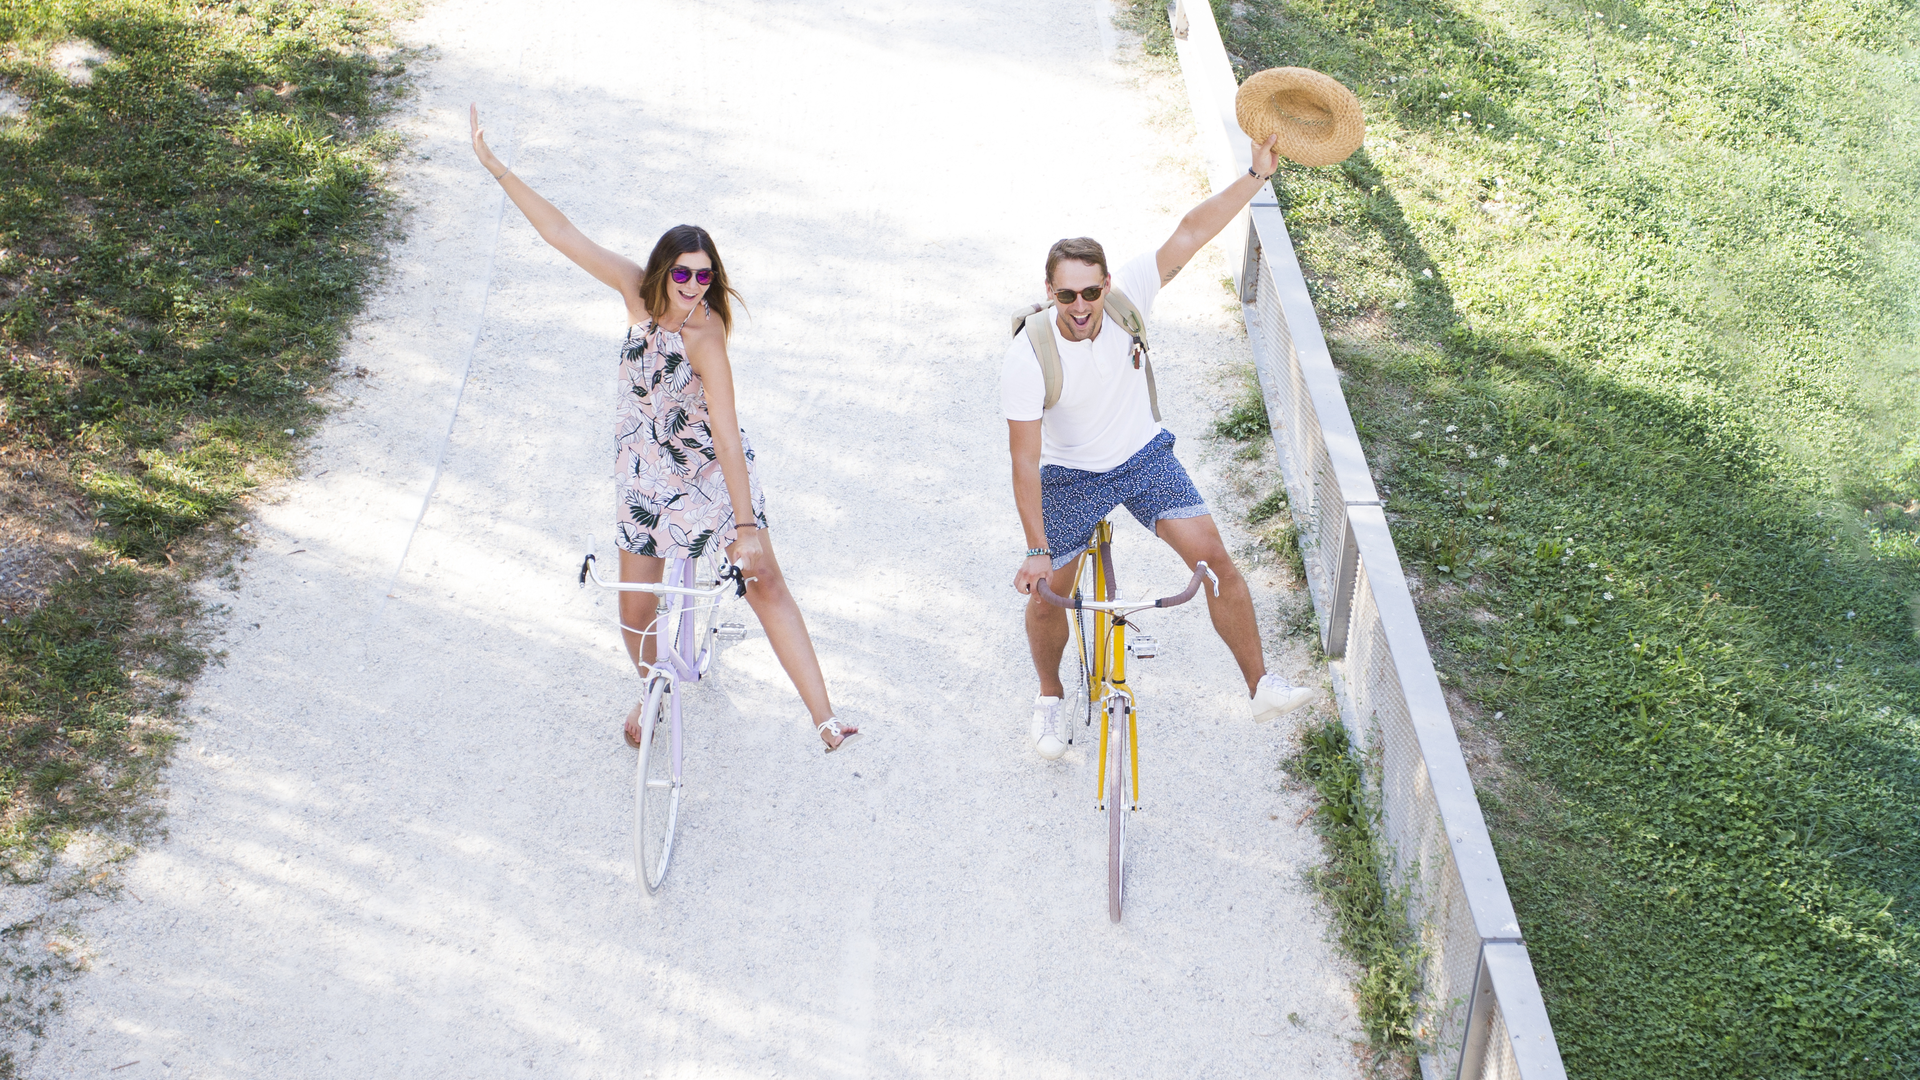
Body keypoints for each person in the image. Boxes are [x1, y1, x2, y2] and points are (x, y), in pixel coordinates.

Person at [469, 105, 857, 752]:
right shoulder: (634, 293)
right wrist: (497, 168)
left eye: (705, 277)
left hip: (705, 475)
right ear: (660, 273)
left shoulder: (707, 338)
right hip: (646, 477)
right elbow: (562, 232)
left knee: (765, 582)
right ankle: (653, 685)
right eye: (683, 274)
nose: (694, 287)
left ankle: (823, 716)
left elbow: (727, 436)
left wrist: (745, 527)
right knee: (634, 613)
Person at [1004, 133, 1313, 760]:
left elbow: (1192, 232)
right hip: (1069, 475)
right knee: (1048, 592)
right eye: (1067, 295)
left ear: (1106, 283)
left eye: (1091, 291)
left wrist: (1256, 174)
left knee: (1214, 561)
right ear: (1050, 292)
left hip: (1143, 458)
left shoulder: (1126, 300)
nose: (1082, 306)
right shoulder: (1028, 354)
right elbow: (1025, 461)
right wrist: (1037, 550)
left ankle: (1260, 686)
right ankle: (1048, 699)